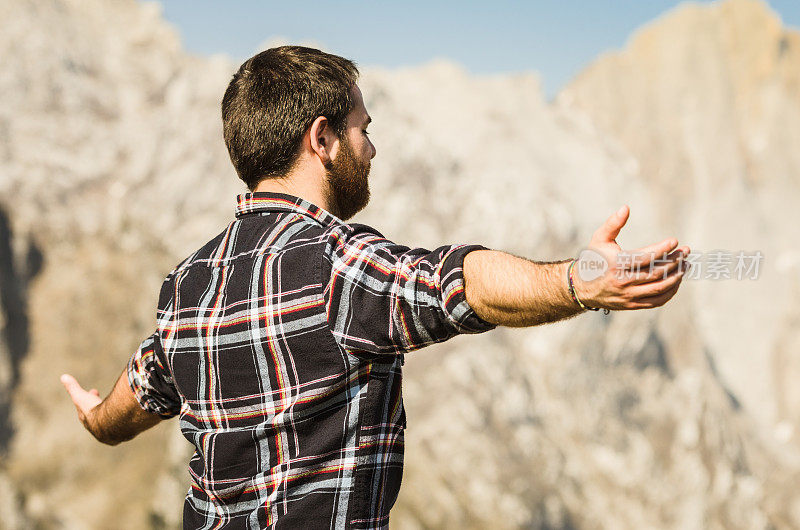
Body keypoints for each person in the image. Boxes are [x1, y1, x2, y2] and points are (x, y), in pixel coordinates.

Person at [60, 46, 689, 529]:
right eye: (363, 129)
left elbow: (137, 394)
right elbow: (458, 282)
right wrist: (578, 280)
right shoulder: (337, 265)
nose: (373, 148)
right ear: (323, 139)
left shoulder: (188, 285)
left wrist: (95, 419)